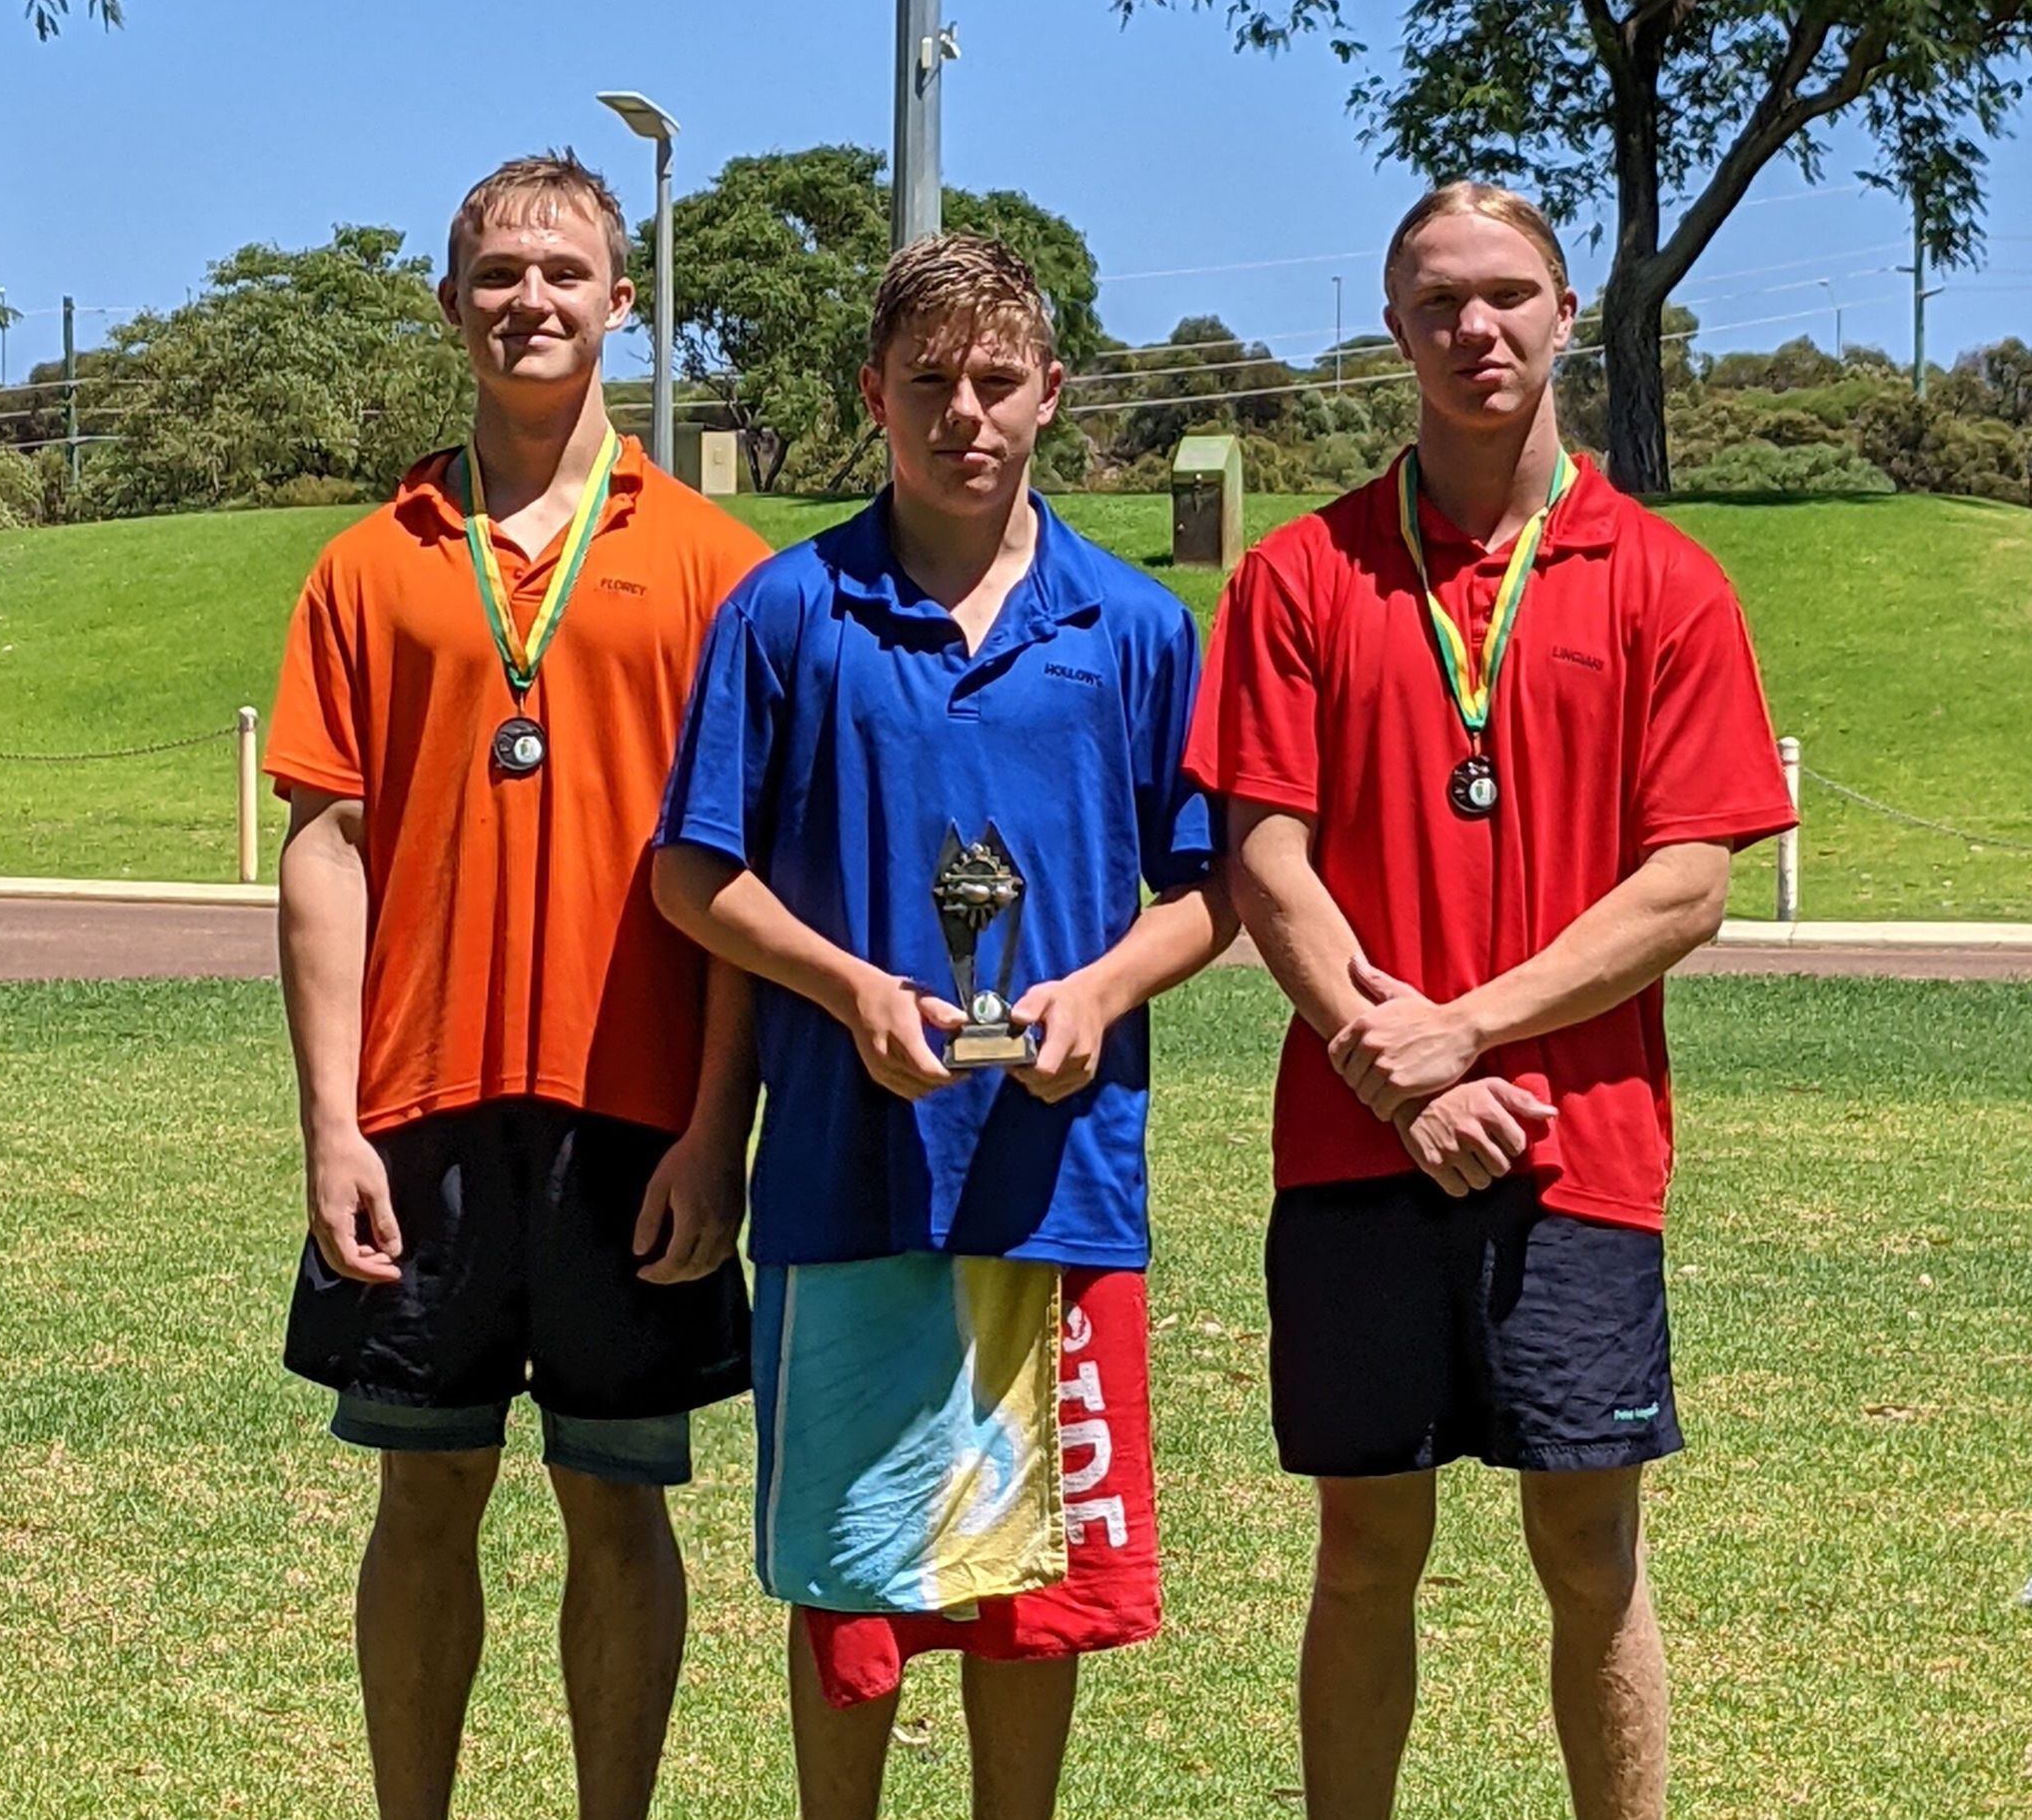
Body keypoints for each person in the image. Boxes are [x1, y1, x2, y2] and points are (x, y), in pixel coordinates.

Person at [1186, 183, 1798, 1820]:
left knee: (1591, 1549)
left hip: (1577, 1152)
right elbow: (1263, 857)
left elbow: (1688, 884)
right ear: (1394, 329)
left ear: (1566, 314)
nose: (1479, 328)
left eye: (1510, 294)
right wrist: (1403, 1076)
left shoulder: (1664, 580)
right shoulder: (1301, 575)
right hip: (1354, 1147)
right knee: (1363, 1547)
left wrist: (1467, 1034)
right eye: (1441, 301)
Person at [652, 232, 1233, 1820]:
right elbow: (695, 874)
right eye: (929, 383)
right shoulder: (788, 612)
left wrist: (1098, 991)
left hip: (1056, 1180)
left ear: (1051, 392)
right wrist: (850, 990)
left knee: (1034, 1593)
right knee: (852, 1593)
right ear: (874, 396)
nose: (963, 413)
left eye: (995, 380)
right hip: (848, 1179)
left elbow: (1210, 889)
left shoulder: (1134, 628)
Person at [265, 153, 768, 1820]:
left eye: (563, 272)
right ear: (449, 304)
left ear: (623, 301)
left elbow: (741, 880)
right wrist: (330, 1126)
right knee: (424, 1498)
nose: (529, 300)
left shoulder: (717, 565)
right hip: (419, 1111)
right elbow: (327, 847)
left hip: (636, 1113)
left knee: (620, 1502)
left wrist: (716, 1130)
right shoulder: (367, 564)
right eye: (497, 273)